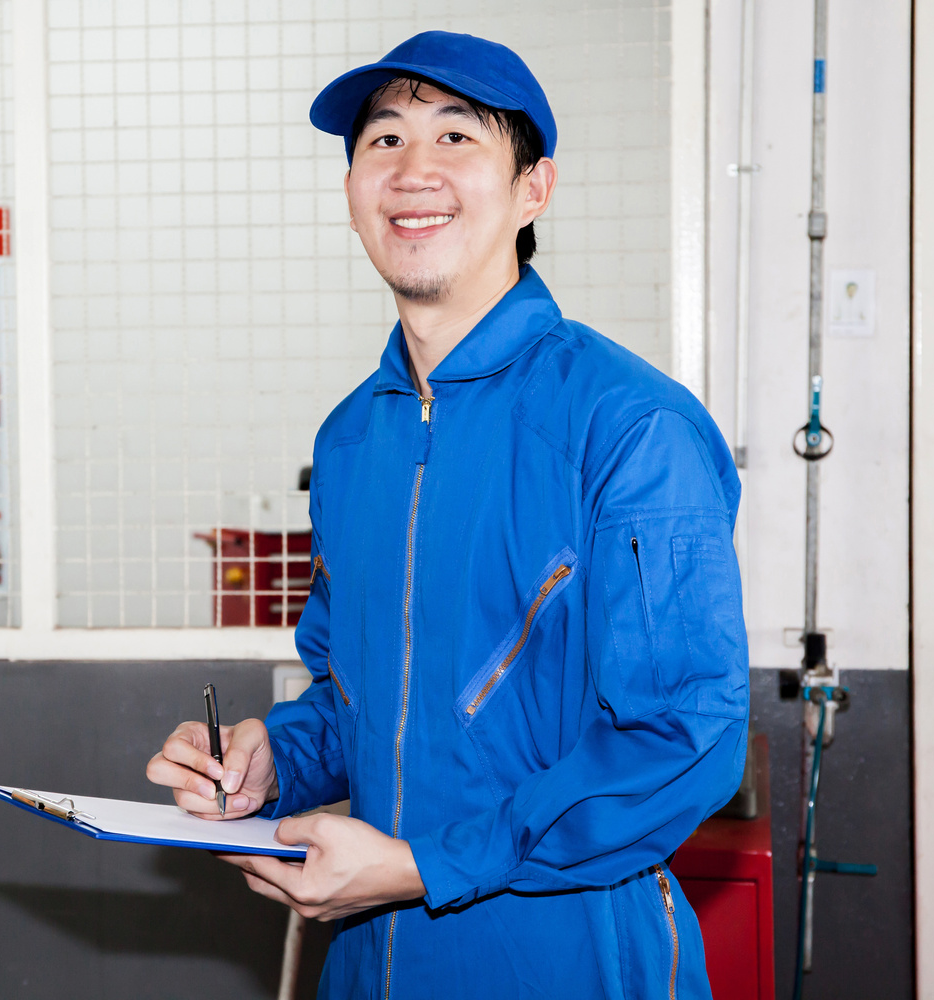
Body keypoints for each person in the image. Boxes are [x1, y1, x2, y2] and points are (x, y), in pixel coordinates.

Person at [147, 30, 748, 999]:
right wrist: (273, 757)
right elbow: (358, 706)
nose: (412, 169)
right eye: (382, 140)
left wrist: (424, 865)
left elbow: (684, 736)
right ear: (352, 191)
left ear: (532, 190)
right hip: (373, 964)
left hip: (572, 963)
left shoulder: (629, 428)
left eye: (457, 138)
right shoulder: (350, 443)